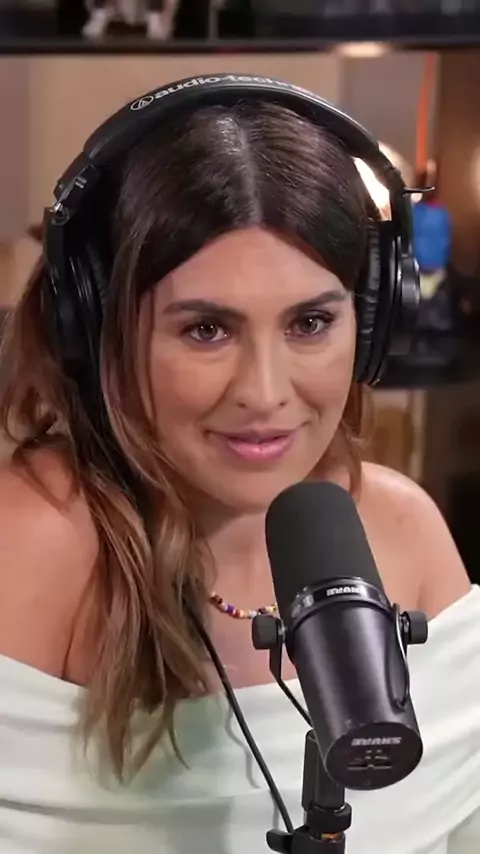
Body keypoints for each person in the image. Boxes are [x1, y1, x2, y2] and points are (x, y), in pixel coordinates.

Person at [0, 74, 479, 854]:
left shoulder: (404, 530)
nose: (264, 392)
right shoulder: (27, 545)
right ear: (96, 329)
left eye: (310, 322)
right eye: (207, 330)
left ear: (371, 322)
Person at [82, 0, 178, 40]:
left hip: (149, 30)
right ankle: (100, 14)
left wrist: (155, 16)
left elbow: (161, 35)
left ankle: (155, 18)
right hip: (113, 29)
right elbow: (91, 34)